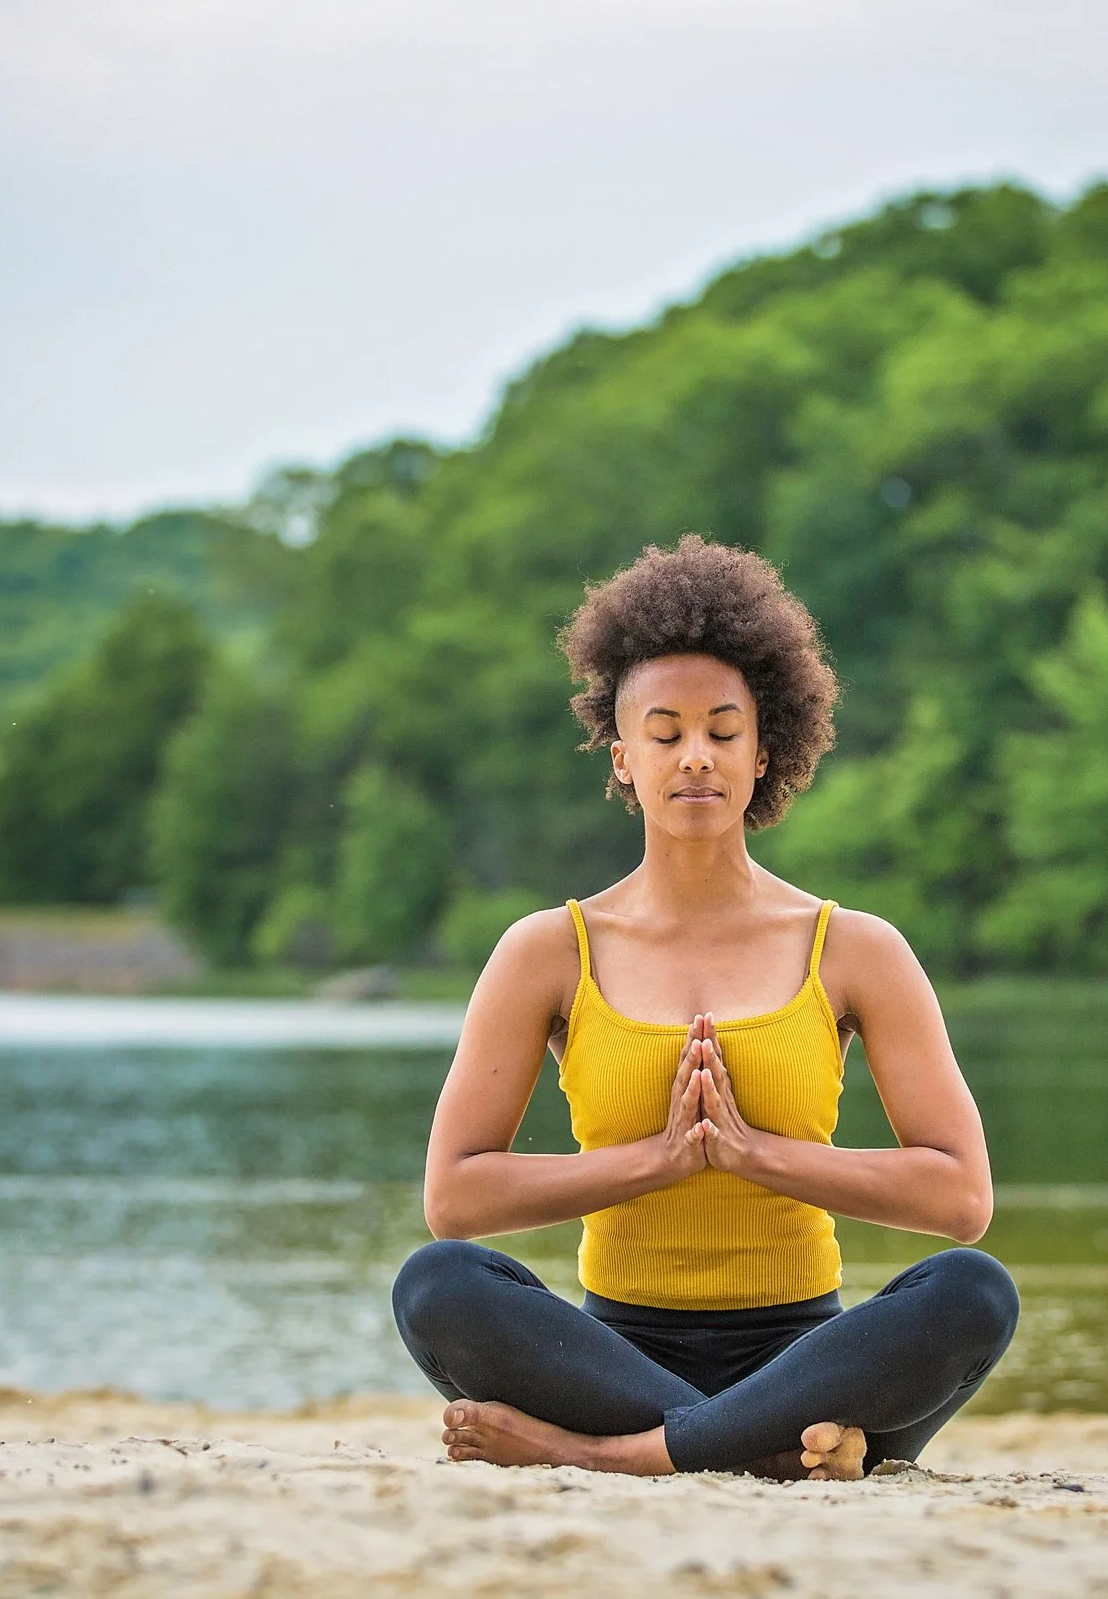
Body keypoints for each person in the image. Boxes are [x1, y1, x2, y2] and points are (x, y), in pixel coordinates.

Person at [392, 535, 1017, 1479]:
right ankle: (776, 1450)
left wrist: (759, 1156)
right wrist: (654, 1162)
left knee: (974, 1289)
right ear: (623, 756)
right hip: (612, 1357)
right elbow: (455, 1195)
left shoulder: (854, 948)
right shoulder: (547, 951)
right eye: (666, 731)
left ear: (764, 752)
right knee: (435, 1284)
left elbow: (962, 1197)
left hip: (808, 1352)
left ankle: (612, 1457)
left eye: (723, 732)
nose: (696, 758)